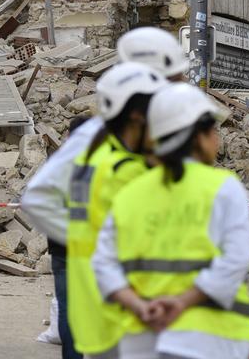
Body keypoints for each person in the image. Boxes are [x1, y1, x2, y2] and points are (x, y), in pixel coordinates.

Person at [21, 27, 186, 359]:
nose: (181, 83)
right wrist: (93, 244)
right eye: (175, 75)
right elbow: (38, 196)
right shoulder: (99, 134)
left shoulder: (167, 131)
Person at [93, 83, 249, 359]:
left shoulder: (130, 194)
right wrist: (181, 302)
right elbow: (236, 260)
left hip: (139, 338)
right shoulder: (223, 187)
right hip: (208, 340)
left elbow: (103, 264)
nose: (217, 139)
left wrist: (138, 305)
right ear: (198, 137)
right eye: (213, 131)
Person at [67, 63, 167, 358]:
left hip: (91, 300)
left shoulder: (93, 159)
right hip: (124, 307)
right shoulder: (126, 171)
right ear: (137, 114)